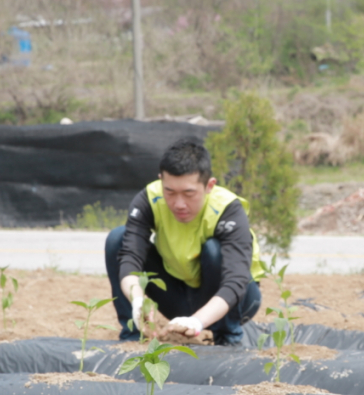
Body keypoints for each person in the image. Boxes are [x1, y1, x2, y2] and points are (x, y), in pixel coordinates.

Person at [105, 138, 264, 346]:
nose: (179, 204)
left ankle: (228, 338)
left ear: (209, 186)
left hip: (235, 298)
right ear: (161, 180)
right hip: (178, 295)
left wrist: (198, 321)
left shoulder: (228, 209)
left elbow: (236, 282)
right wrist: (138, 301)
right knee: (117, 238)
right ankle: (134, 335)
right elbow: (130, 258)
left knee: (214, 251)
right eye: (169, 192)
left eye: (189, 194)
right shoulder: (149, 199)